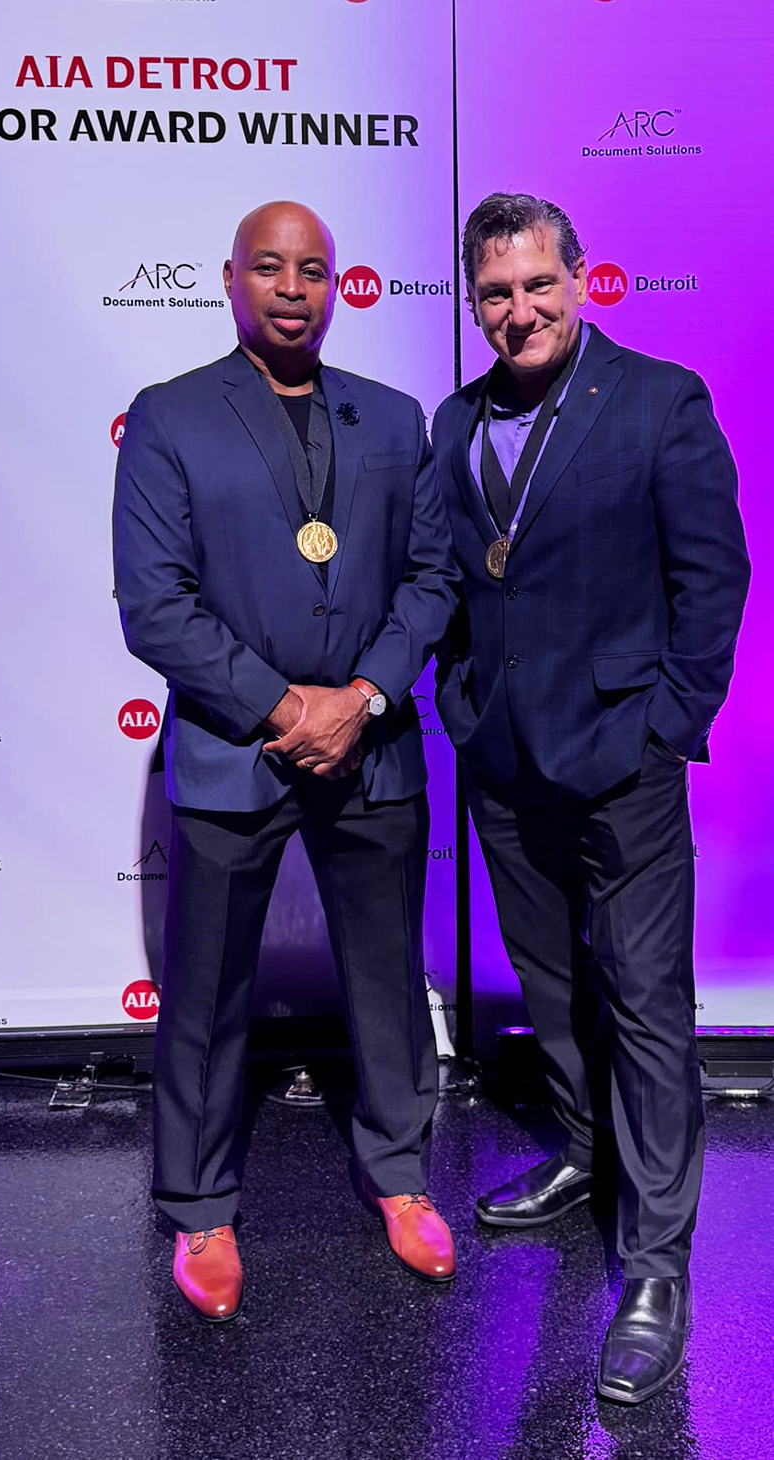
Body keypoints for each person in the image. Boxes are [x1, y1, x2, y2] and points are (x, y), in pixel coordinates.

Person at [113, 200, 459, 1322]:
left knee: (386, 977)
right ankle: (201, 1206)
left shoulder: (394, 418)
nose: (293, 289)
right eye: (270, 267)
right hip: (232, 749)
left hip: (374, 744)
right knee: (206, 993)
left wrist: (358, 699)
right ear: (232, 280)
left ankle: (401, 1177)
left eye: (313, 270)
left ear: (337, 285)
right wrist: (281, 705)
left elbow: (432, 580)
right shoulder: (168, 417)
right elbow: (155, 606)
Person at [433, 192, 749, 1402]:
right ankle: (583, 1149)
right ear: (475, 304)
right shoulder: (457, 421)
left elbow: (714, 576)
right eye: (496, 293)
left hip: (623, 760)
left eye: (537, 284)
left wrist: (666, 725)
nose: (519, 310)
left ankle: (656, 1265)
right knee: (552, 984)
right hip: (504, 759)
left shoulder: (660, 400)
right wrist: (459, 702)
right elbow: (455, 580)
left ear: (579, 279)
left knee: (647, 1005)